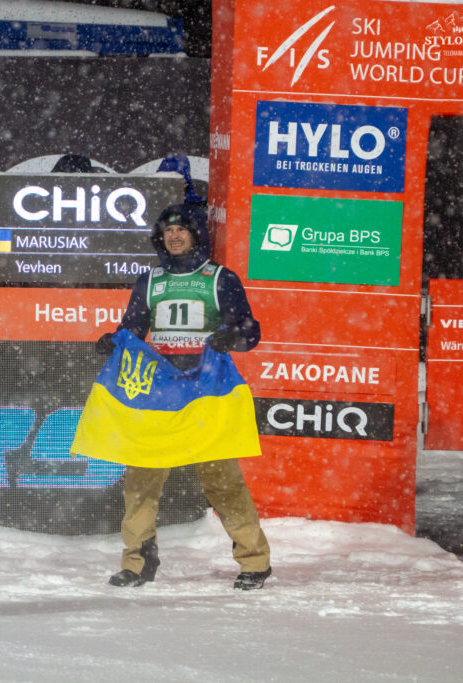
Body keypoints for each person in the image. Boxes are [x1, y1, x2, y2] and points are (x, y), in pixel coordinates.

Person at [97, 202, 272, 590]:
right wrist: (113, 340)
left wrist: (233, 336)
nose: (174, 236)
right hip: (157, 392)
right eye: (168, 230)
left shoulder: (220, 278)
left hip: (206, 392)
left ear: (196, 234)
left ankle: (254, 560)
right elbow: (132, 329)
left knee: (222, 481)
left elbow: (251, 330)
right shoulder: (150, 280)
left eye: (182, 229)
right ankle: (139, 561)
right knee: (141, 479)